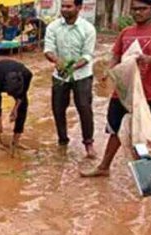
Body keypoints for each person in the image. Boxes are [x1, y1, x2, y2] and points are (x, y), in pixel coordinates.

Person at [81, 0, 151, 178]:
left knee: (143, 133)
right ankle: (104, 166)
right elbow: (116, 55)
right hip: (122, 91)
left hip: (148, 93)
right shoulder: (126, 32)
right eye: (135, 10)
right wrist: (110, 72)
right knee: (114, 129)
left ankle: (148, 176)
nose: (138, 13)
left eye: (142, 9)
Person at [43, 0, 96, 158]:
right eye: (63, 6)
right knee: (58, 108)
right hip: (60, 75)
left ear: (79, 8)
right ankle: (62, 141)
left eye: (68, 6)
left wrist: (71, 67)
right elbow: (48, 49)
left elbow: (87, 55)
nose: (64, 10)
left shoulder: (88, 29)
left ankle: (88, 144)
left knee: (84, 108)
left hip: (82, 75)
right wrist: (57, 61)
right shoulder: (53, 27)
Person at [0, 59, 33, 149]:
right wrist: (0, 133)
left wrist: (15, 109)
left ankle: (16, 141)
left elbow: (22, 94)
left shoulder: (27, 75)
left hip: (14, 77)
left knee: (23, 105)